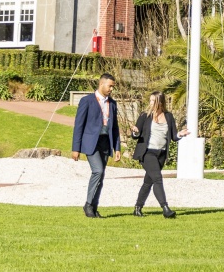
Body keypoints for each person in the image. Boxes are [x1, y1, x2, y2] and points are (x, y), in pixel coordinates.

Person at [130, 92, 189, 218]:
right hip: (148, 153)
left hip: (161, 154)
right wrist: (135, 132)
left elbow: (173, 136)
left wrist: (180, 134)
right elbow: (136, 134)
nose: (151, 103)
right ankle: (165, 208)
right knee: (158, 178)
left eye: (153, 101)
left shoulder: (168, 116)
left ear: (160, 102)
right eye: (150, 100)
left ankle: (137, 208)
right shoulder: (145, 116)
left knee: (148, 182)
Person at [71, 73, 121, 218]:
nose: (112, 89)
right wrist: (76, 148)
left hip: (106, 142)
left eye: (113, 86)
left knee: (101, 175)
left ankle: (94, 207)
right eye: (110, 86)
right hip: (91, 143)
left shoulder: (113, 103)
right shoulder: (87, 101)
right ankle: (88, 205)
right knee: (97, 171)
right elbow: (78, 125)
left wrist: (117, 147)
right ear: (102, 84)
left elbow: (115, 127)